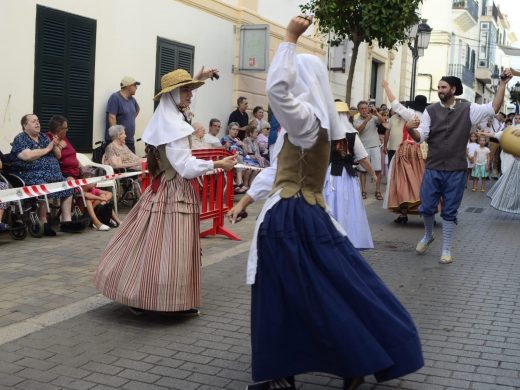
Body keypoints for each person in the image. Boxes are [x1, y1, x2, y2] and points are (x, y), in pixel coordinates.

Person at [227, 15, 423, 390]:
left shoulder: (304, 120)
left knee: (286, 294)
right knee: (321, 290)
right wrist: (246, 199)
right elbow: (277, 172)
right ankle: (315, 365)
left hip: (291, 220)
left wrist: (288, 39)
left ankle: (299, 368)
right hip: (308, 214)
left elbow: (278, 91)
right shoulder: (310, 124)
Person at [95, 67, 236, 315]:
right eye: (186, 90)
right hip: (174, 191)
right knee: (171, 247)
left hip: (166, 188)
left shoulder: (167, 117)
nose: (190, 95)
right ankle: (157, 298)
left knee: (155, 244)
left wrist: (199, 79)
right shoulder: (172, 126)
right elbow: (185, 165)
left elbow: (185, 110)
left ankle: (150, 294)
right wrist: (217, 164)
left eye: (190, 90)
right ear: (173, 95)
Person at [406, 70, 512, 264]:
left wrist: (502, 84)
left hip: (456, 169)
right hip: (433, 167)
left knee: (450, 210)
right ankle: (428, 235)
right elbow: (421, 137)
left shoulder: (468, 109)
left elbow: (493, 107)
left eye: (443, 87)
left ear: (453, 89)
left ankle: (446, 249)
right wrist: (410, 129)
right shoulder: (430, 111)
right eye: (438, 87)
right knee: (427, 207)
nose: (439, 90)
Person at [10, 114, 84, 236]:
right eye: (34, 121)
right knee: (43, 187)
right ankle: (43, 222)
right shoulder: (21, 138)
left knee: (68, 186)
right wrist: (48, 148)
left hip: (54, 175)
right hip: (32, 175)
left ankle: (66, 222)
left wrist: (55, 145)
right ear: (25, 125)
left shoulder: (43, 137)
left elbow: (58, 156)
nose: (37, 123)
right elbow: (27, 156)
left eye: (38, 121)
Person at [324, 101, 377, 250]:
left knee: (330, 204)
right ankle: (347, 237)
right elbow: (363, 158)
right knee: (347, 206)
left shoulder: (325, 134)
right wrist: (373, 174)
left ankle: (329, 237)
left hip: (330, 175)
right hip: (346, 177)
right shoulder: (352, 135)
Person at [382, 81, 429, 224]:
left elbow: (395, 104)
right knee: (424, 181)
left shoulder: (410, 114)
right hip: (424, 152)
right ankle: (428, 214)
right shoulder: (429, 117)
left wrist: (387, 87)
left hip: (406, 150)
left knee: (401, 181)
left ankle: (403, 215)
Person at [354, 100, 385, 200]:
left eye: (365, 108)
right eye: (361, 108)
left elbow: (382, 121)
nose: (364, 110)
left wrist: (376, 113)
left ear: (368, 109)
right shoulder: (356, 120)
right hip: (363, 148)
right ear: (359, 110)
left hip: (375, 146)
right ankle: (363, 191)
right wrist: (366, 120)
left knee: (378, 170)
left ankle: (378, 191)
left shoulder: (374, 117)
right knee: (363, 171)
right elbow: (358, 130)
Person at [105, 76, 141, 152]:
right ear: (129, 86)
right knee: (118, 163)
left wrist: (129, 119)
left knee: (132, 163)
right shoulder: (115, 97)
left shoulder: (132, 100)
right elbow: (111, 117)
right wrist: (117, 139)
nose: (136, 88)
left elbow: (137, 110)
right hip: (118, 141)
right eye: (135, 85)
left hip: (130, 141)